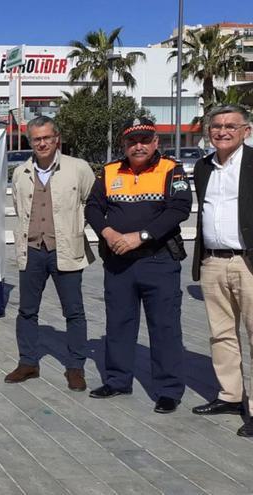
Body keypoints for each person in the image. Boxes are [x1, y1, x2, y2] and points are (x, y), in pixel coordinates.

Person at [85, 117, 191, 414]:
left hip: (158, 260)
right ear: (124, 145)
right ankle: (118, 380)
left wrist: (140, 237)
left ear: (156, 142)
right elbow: (93, 207)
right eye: (132, 141)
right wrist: (107, 232)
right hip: (119, 263)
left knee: (165, 327)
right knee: (118, 324)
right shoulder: (108, 172)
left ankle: (169, 390)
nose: (139, 146)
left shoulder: (171, 169)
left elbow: (180, 208)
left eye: (145, 140)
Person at [5, 116, 95, 391]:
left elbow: (92, 203)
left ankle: (75, 367)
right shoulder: (21, 172)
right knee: (27, 311)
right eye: (36, 139)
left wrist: (76, 228)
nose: (42, 143)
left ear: (57, 138)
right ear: (30, 141)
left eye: (46, 137)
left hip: (66, 250)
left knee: (74, 312)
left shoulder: (78, 168)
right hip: (32, 250)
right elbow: (20, 208)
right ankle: (28, 362)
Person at [188, 105, 253, 437]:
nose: (222, 131)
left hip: (248, 262)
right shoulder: (203, 167)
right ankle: (230, 395)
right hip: (213, 260)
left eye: (231, 126)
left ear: (246, 130)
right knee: (222, 334)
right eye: (216, 126)